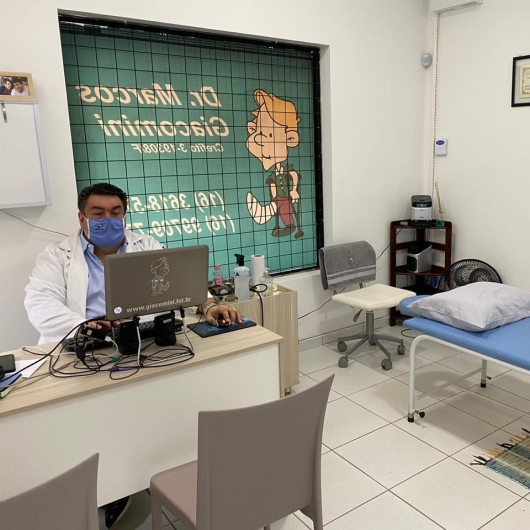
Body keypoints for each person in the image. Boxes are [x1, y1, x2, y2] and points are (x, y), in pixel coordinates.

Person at [24, 183, 242, 528]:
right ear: (82, 218)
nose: (107, 219)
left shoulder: (146, 246)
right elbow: (39, 302)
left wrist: (208, 303)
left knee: (151, 417)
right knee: (91, 428)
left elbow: (178, 283)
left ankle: (151, 474)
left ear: (125, 216)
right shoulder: (57, 256)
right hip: (89, 348)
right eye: (98, 213)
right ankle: (110, 490)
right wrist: (84, 325)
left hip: (141, 342)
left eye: (116, 213)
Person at [246, 89, 304, 238]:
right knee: (280, 206)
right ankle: (268, 213)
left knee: (284, 209)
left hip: (285, 197)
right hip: (279, 198)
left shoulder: (287, 170)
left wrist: (294, 190)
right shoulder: (274, 174)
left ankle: (268, 215)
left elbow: (293, 175)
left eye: (270, 134)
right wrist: (273, 197)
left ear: (290, 139)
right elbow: (272, 184)